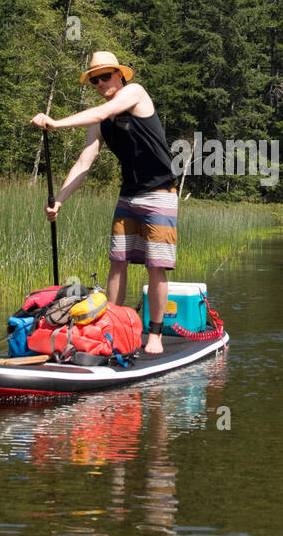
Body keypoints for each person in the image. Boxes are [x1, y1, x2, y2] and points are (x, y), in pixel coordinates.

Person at [30, 51, 177, 355]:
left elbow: (99, 112)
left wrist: (55, 123)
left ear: (119, 75)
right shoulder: (100, 121)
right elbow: (85, 161)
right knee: (117, 262)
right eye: (94, 80)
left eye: (104, 76)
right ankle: (111, 328)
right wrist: (60, 199)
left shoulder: (135, 93)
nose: (99, 83)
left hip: (159, 192)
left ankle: (155, 336)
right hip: (129, 193)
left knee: (156, 265)